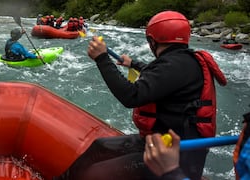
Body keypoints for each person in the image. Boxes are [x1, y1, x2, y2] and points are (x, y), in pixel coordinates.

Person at [80, 10, 227, 180]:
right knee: (100, 146)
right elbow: (162, 76)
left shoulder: (174, 65)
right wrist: (132, 63)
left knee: (96, 173)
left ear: (152, 41)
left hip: (175, 157)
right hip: (161, 143)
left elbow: (131, 96)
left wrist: (102, 59)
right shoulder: (184, 61)